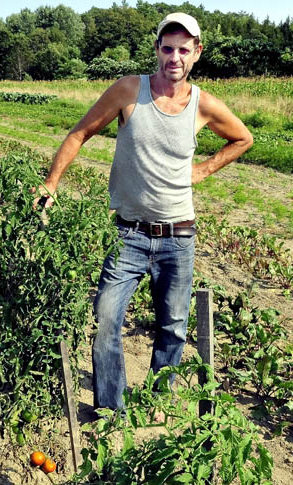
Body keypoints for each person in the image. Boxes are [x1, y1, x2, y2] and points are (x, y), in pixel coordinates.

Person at [33, 12, 253, 410]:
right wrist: (51, 183)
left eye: (183, 50)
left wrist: (203, 169)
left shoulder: (203, 105)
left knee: (172, 328)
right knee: (105, 321)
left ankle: (157, 401)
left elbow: (243, 138)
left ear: (197, 53)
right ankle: (109, 410)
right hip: (128, 235)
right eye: (167, 48)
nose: (174, 57)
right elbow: (79, 133)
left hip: (179, 236)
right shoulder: (128, 91)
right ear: (157, 50)